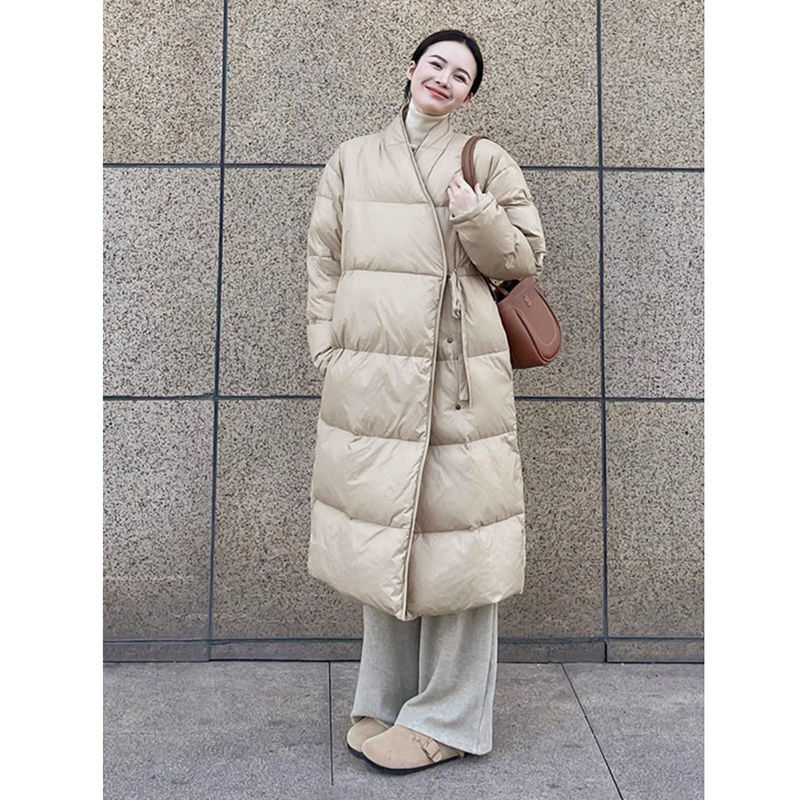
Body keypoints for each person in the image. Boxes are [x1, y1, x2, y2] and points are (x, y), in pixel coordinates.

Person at [304, 29, 547, 773]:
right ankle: (386, 698)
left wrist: (476, 213)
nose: (444, 78)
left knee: (462, 544)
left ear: (469, 95)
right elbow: (324, 258)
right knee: (387, 534)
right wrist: (329, 349)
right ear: (411, 69)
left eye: (461, 75)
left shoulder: (486, 160)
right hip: (375, 380)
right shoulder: (352, 158)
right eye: (436, 63)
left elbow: (524, 257)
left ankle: (449, 718)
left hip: (457, 378)